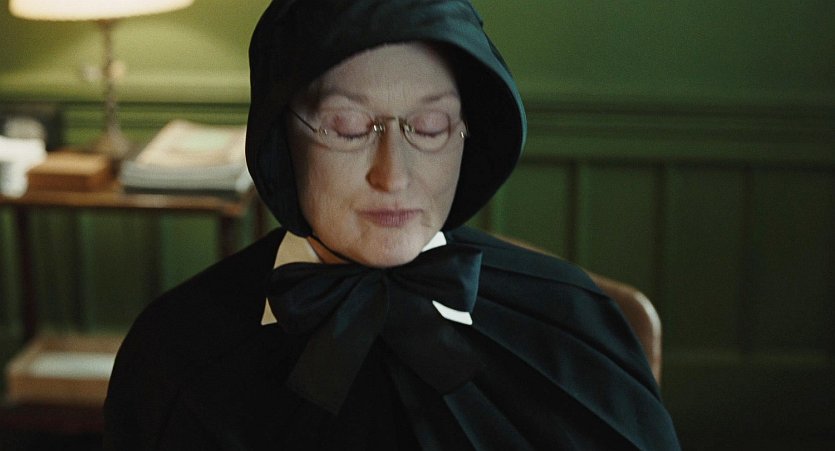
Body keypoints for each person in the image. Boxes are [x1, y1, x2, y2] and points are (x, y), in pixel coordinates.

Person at [103, 0, 681, 449]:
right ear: (281, 136)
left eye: (429, 127)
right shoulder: (174, 353)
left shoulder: (575, 323)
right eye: (349, 128)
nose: (393, 175)